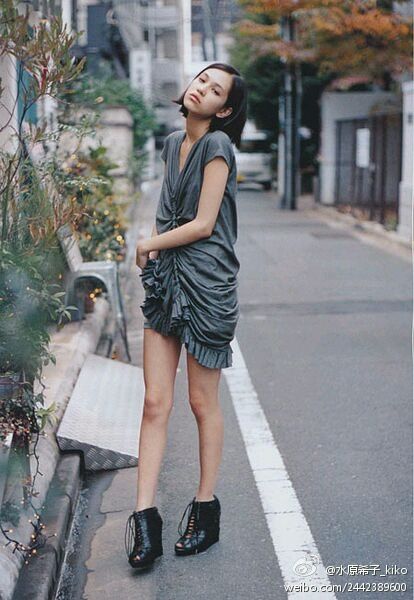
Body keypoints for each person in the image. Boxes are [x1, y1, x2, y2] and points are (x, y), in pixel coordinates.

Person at [125, 63, 248, 571]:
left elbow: (202, 223)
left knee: (201, 403)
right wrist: (156, 254)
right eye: (202, 80)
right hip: (167, 282)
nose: (201, 89)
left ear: (224, 109)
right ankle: (144, 519)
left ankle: (205, 509)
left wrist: (149, 243)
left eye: (214, 90)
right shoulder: (172, 141)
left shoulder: (218, 146)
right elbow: (167, 209)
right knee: (155, 401)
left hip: (207, 285)